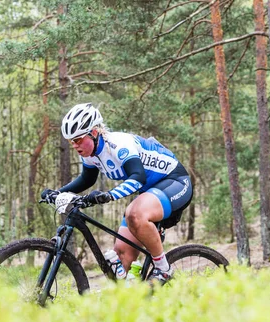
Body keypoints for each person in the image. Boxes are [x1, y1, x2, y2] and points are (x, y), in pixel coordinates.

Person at [41, 103, 193, 285]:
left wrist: (109, 195)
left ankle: (164, 269)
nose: (75, 145)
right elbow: (87, 180)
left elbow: (138, 177)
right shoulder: (89, 153)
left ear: (94, 132)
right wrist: (58, 193)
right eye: (71, 141)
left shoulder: (119, 145)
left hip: (175, 181)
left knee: (134, 214)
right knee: (121, 255)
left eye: (79, 139)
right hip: (150, 191)